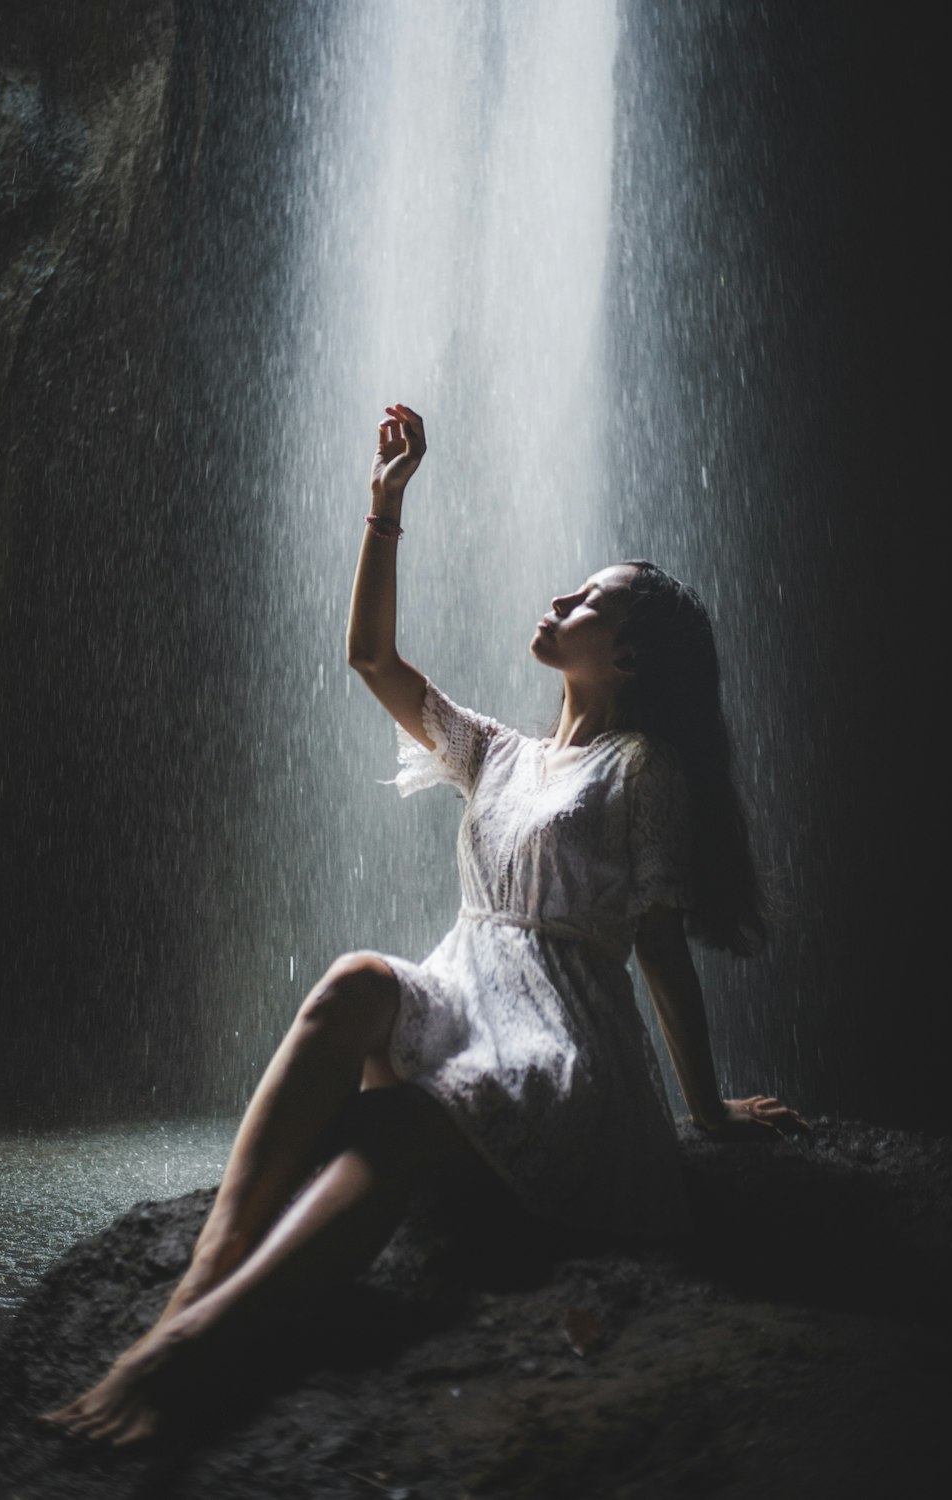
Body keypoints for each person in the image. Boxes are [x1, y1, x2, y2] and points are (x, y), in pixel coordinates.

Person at [46, 403, 804, 1447]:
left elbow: (659, 944)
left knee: (399, 1121)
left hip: (559, 1045)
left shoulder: (642, 770)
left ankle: (190, 1346)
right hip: (463, 1000)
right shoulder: (496, 752)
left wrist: (704, 1112)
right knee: (357, 976)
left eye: (590, 600)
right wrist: (384, 505)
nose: (560, 598)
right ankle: (200, 1286)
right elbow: (370, 659)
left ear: (627, 659)